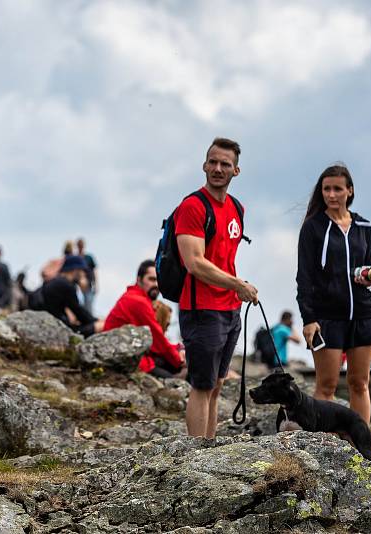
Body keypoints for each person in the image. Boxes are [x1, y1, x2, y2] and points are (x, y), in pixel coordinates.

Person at [175, 138, 257, 439]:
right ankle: (196, 456)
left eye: (225, 164)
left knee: (218, 384)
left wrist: (236, 289)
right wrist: (238, 284)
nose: (217, 168)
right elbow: (195, 263)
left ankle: (209, 450)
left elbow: (225, 257)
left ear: (236, 170)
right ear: (204, 165)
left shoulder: (237, 208)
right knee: (201, 385)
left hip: (229, 308)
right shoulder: (192, 207)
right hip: (201, 309)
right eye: (213, 162)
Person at [296, 163, 371, 424]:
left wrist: (368, 275)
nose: (331, 195)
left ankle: (361, 451)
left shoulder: (364, 225)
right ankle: (325, 452)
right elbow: (304, 276)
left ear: (349, 191)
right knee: (326, 386)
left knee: (359, 383)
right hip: (327, 319)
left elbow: (368, 261)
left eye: (337, 189)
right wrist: (309, 319)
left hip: (363, 316)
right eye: (326, 189)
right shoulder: (313, 227)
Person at [104, 259, 185, 378]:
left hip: (129, 356)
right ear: (139, 279)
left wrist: (178, 348)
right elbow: (158, 340)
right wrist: (180, 361)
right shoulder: (138, 302)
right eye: (151, 279)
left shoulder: (136, 297)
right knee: (176, 380)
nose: (156, 285)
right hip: (124, 360)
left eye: (158, 280)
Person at [37, 255, 103, 337]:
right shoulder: (66, 286)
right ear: (75, 270)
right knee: (100, 326)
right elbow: (78, 311)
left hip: (50, 324)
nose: (83, 274)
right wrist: (95, 321)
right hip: (58, 331)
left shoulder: (57, 281)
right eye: (82, 271)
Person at [77, 238, 97, 313]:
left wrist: (96, 284)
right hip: (78, 285)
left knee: (88, 303)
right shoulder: (76, 258)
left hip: (88, 284)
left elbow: (94, 270)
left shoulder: (89, 257)